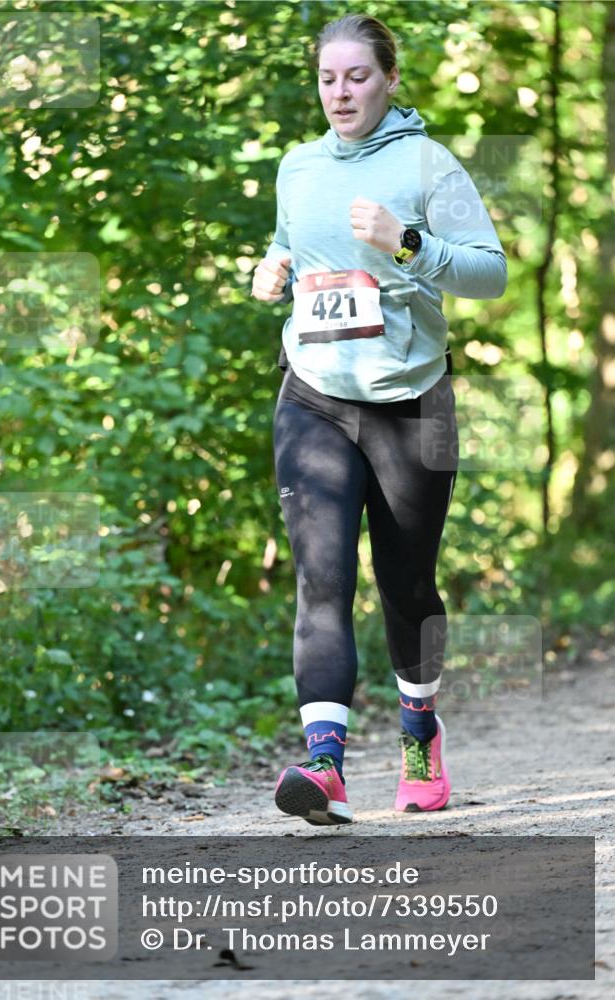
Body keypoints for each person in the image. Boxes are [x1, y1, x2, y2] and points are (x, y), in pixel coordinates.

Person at [251, 14, 506, 824]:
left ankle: (418, 731)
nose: (340, 93)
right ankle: (323, 765)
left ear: (389, 79)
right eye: (327, 78)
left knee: (406, 586)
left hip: (411, 405)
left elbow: (489, 274)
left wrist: (408, 244)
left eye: (356, 76)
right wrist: (272, 267)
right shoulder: (297, 166)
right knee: (321, 578)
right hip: (314, 396)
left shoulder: (429, 164)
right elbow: (290, 245)